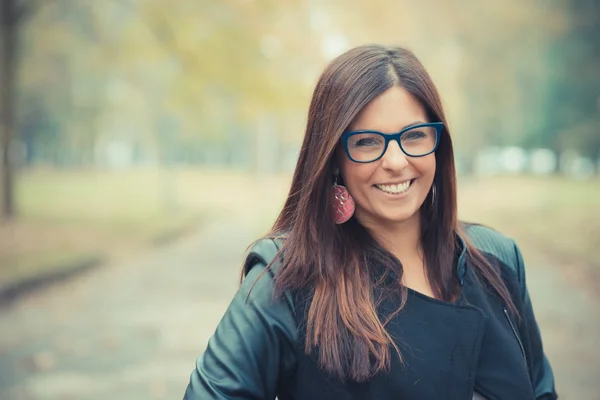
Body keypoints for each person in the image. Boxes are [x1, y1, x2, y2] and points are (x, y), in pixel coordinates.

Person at [183, 44, 557, 400]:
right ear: (332, 158)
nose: (395, 161)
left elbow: (540, 390)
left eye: (414, 135)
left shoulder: (497, 259)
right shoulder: (285, 279)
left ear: (438, 146)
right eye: (366, 142)